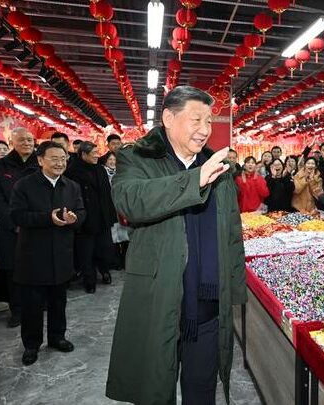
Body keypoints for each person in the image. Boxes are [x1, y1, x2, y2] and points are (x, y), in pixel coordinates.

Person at [106, 86, 246, 405]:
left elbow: (231, 233)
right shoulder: (138, 158)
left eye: (208, 121)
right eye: (196, 119)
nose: (205, 129)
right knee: (156, 388)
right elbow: (131, 202)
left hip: (208, 304)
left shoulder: (218, 167)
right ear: (169, 118)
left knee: (202, 389)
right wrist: (194, 180)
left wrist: (234, 290)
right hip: (159, 298)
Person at [10, 141, 85, 366]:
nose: (60, 163)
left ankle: (57, 337)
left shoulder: (71, 186)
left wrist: (75, 219)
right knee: (32, 305)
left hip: (62, 253)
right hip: (33, 256)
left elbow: (81, 211)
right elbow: (16, 215)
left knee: (58, 302)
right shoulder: (24, 185)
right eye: (54, 159)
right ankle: (31, 345)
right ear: (40, 160)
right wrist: (47, 218)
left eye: (63, 159)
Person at [0, 127, 39, 328]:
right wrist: (14, 221)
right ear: (12, 143)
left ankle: (38, 306)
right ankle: (17, 310)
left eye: (30, 140)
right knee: (13, 271)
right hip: (10, 227)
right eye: (22, 140)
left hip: (37, 225)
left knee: (38, 267)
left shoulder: (40, 162)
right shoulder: (0, 165)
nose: (27, 143)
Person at [65, 141, 116, 292]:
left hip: (102, 217)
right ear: (83, 154)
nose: (96, 156)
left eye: (97, 153)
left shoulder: (100, 169)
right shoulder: (72, 171)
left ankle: (105, 271)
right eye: (93, 153)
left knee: (104, 248)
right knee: (86, 252)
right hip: (85, 218)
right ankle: (89, 279)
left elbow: (107, 193)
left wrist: (110, 215)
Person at [99, 152, 129, 272]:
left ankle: (125, 260)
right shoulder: (102, 173)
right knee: (113, 237)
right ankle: (115, 262)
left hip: (121, 208)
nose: (112, 162)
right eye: (110, 159)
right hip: (110, 208)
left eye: (114, 160)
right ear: (105, 161)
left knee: (125, 235)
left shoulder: (121, 173)